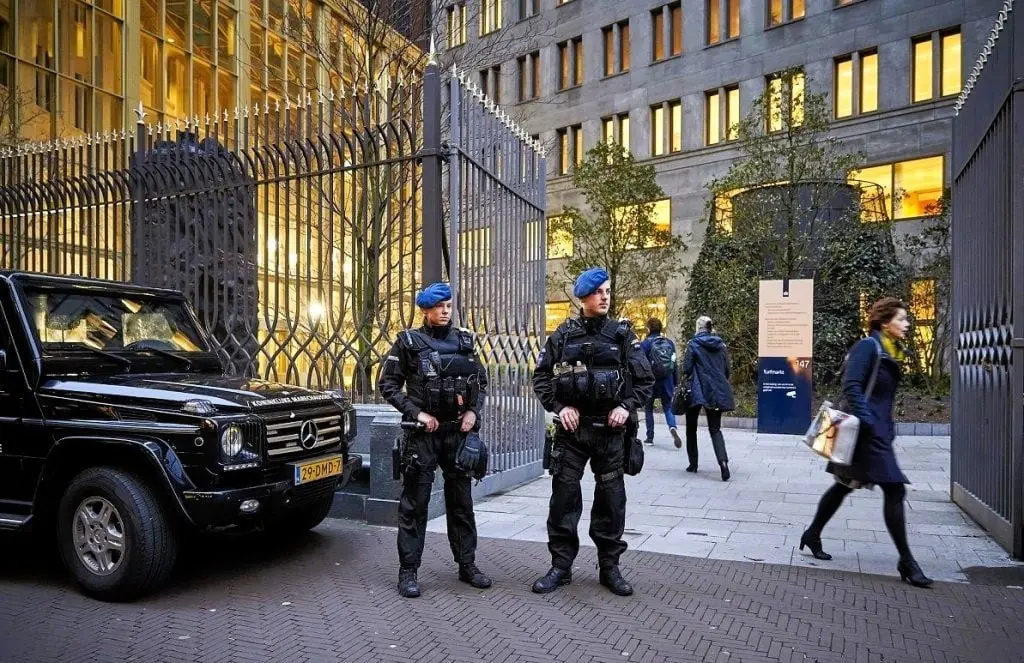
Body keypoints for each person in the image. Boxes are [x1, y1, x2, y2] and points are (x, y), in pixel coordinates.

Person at [531, 268, 654, 597]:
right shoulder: (563, 335)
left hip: (610, 432)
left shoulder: (622, 335)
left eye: (608, 291)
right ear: (583, 297)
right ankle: (561, 566)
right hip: (572, 432)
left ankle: (609, 567)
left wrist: (626, 407)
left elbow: (644, 380)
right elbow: (541, 377)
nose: (605, 297)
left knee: (612, 501)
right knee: (563, 499)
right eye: (598, 292)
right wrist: (560, 407)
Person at [799, 297, 933, 588]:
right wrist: (870, 421)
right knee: (895, 489)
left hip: (877, 434)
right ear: (885, 322)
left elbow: (882, 396)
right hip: (866, 435)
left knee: (844, 485)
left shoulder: (890, 350)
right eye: (902, 319)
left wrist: (885, 425)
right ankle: (907, 562)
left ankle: (812, 534)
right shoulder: (868, 347)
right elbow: (852, 386)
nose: (907, 324)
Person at [377, 282, 492, 598]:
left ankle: (467, 565)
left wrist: (473, 412)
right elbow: (387, 385)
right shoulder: (408, 343)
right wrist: (417, 414)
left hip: (457, 433)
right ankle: (408, 571)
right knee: (415, 505)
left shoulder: (465, 341)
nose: (445, 310)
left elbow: (480, 382)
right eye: (439, 306)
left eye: (449, 305)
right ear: (426, 309)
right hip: (423, 436)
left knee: (462, 504)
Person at [681, 315, 735, 481]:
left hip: (696, 390)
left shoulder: (693, 344)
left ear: (698, 328)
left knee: (691, 428)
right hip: (716, 391)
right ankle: (723, 463)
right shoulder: (721, 345)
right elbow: (727, 370)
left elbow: (687, 369)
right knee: (715, 429)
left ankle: (693, 464)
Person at [640, 318, 682, 447]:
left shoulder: (645, 344)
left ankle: (650, 437)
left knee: (648, 409)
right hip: (667, 380)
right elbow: (674, 363)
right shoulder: (669, 343)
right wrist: (675, 381)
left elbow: (641, 364)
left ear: (648, 329)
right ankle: (672, 427)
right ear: (660, 329)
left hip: (651, 382)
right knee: (668, 407)